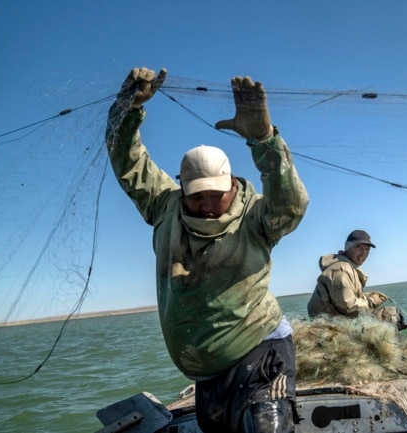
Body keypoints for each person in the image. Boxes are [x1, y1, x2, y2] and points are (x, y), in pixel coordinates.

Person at [105, 67, 309, 433]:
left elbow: (291, 204)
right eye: (197, 196)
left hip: (262, 351)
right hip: (208, 376)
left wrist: (264, 140)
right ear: (182, 188)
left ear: (232, 183)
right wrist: (126, 108)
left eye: (217, 194)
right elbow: (128, 162)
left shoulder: (256, 216)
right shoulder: (164, 207)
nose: (208, 204)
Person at [307, 230, 400, 324]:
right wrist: (372, 301)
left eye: (367, 249)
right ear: (347, 247)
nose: (363, 253)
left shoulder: (347, 267)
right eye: (358, 247)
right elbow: (348, 306)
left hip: (336, 321)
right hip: (330, 326)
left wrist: (367, 296)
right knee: (390, 315)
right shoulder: (341, 269)